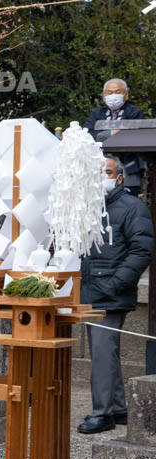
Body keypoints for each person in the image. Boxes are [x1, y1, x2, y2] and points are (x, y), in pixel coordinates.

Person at [78, 155, 154, 434]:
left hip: (110, 291)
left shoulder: (132, 207)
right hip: (92, 290)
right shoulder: (89, 208)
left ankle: (103, 413)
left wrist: (115, 284)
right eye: (97, 173)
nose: (101, 178)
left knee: (102, 353)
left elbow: (141, 250)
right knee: (105, 353)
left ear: (119, 177)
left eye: (107, 173)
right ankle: (119, 408)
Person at [85, 78, 146, 196]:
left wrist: (101, 136)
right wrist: (111, 133)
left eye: (117, 92)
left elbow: (134, 136)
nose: (113, 96)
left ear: (126, 95)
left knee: (129, 199)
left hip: (129, 166)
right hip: (101, 166)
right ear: (103, 96)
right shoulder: (97, 113)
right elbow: (87, 135)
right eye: (109, 93)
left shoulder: (135, 112)